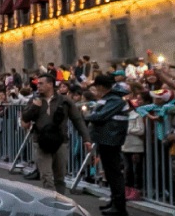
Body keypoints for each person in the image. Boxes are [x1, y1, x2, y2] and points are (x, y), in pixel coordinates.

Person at [20, 73, 91, 195]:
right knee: (46, 176)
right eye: (38, 84)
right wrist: (34, 107)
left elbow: (77, 120)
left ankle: (60, 203)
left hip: (60, 141)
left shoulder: (64, 101)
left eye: (41, 83)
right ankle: (50, 204)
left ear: (50, 84)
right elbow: (25, 118)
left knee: (60, 177)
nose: (38, 86)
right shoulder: (34, 100)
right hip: (40, 142)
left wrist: (86, 139)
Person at [88, 73, 130, 216]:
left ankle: (119, 207)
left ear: (100, 86)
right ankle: (114, 203)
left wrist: (87, 116)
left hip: (111, 139)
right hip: (106, 138)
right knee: (111, 174)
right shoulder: (110, 99)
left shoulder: (115, 100)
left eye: (96, 87)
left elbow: (100, 116)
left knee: (114, 174)